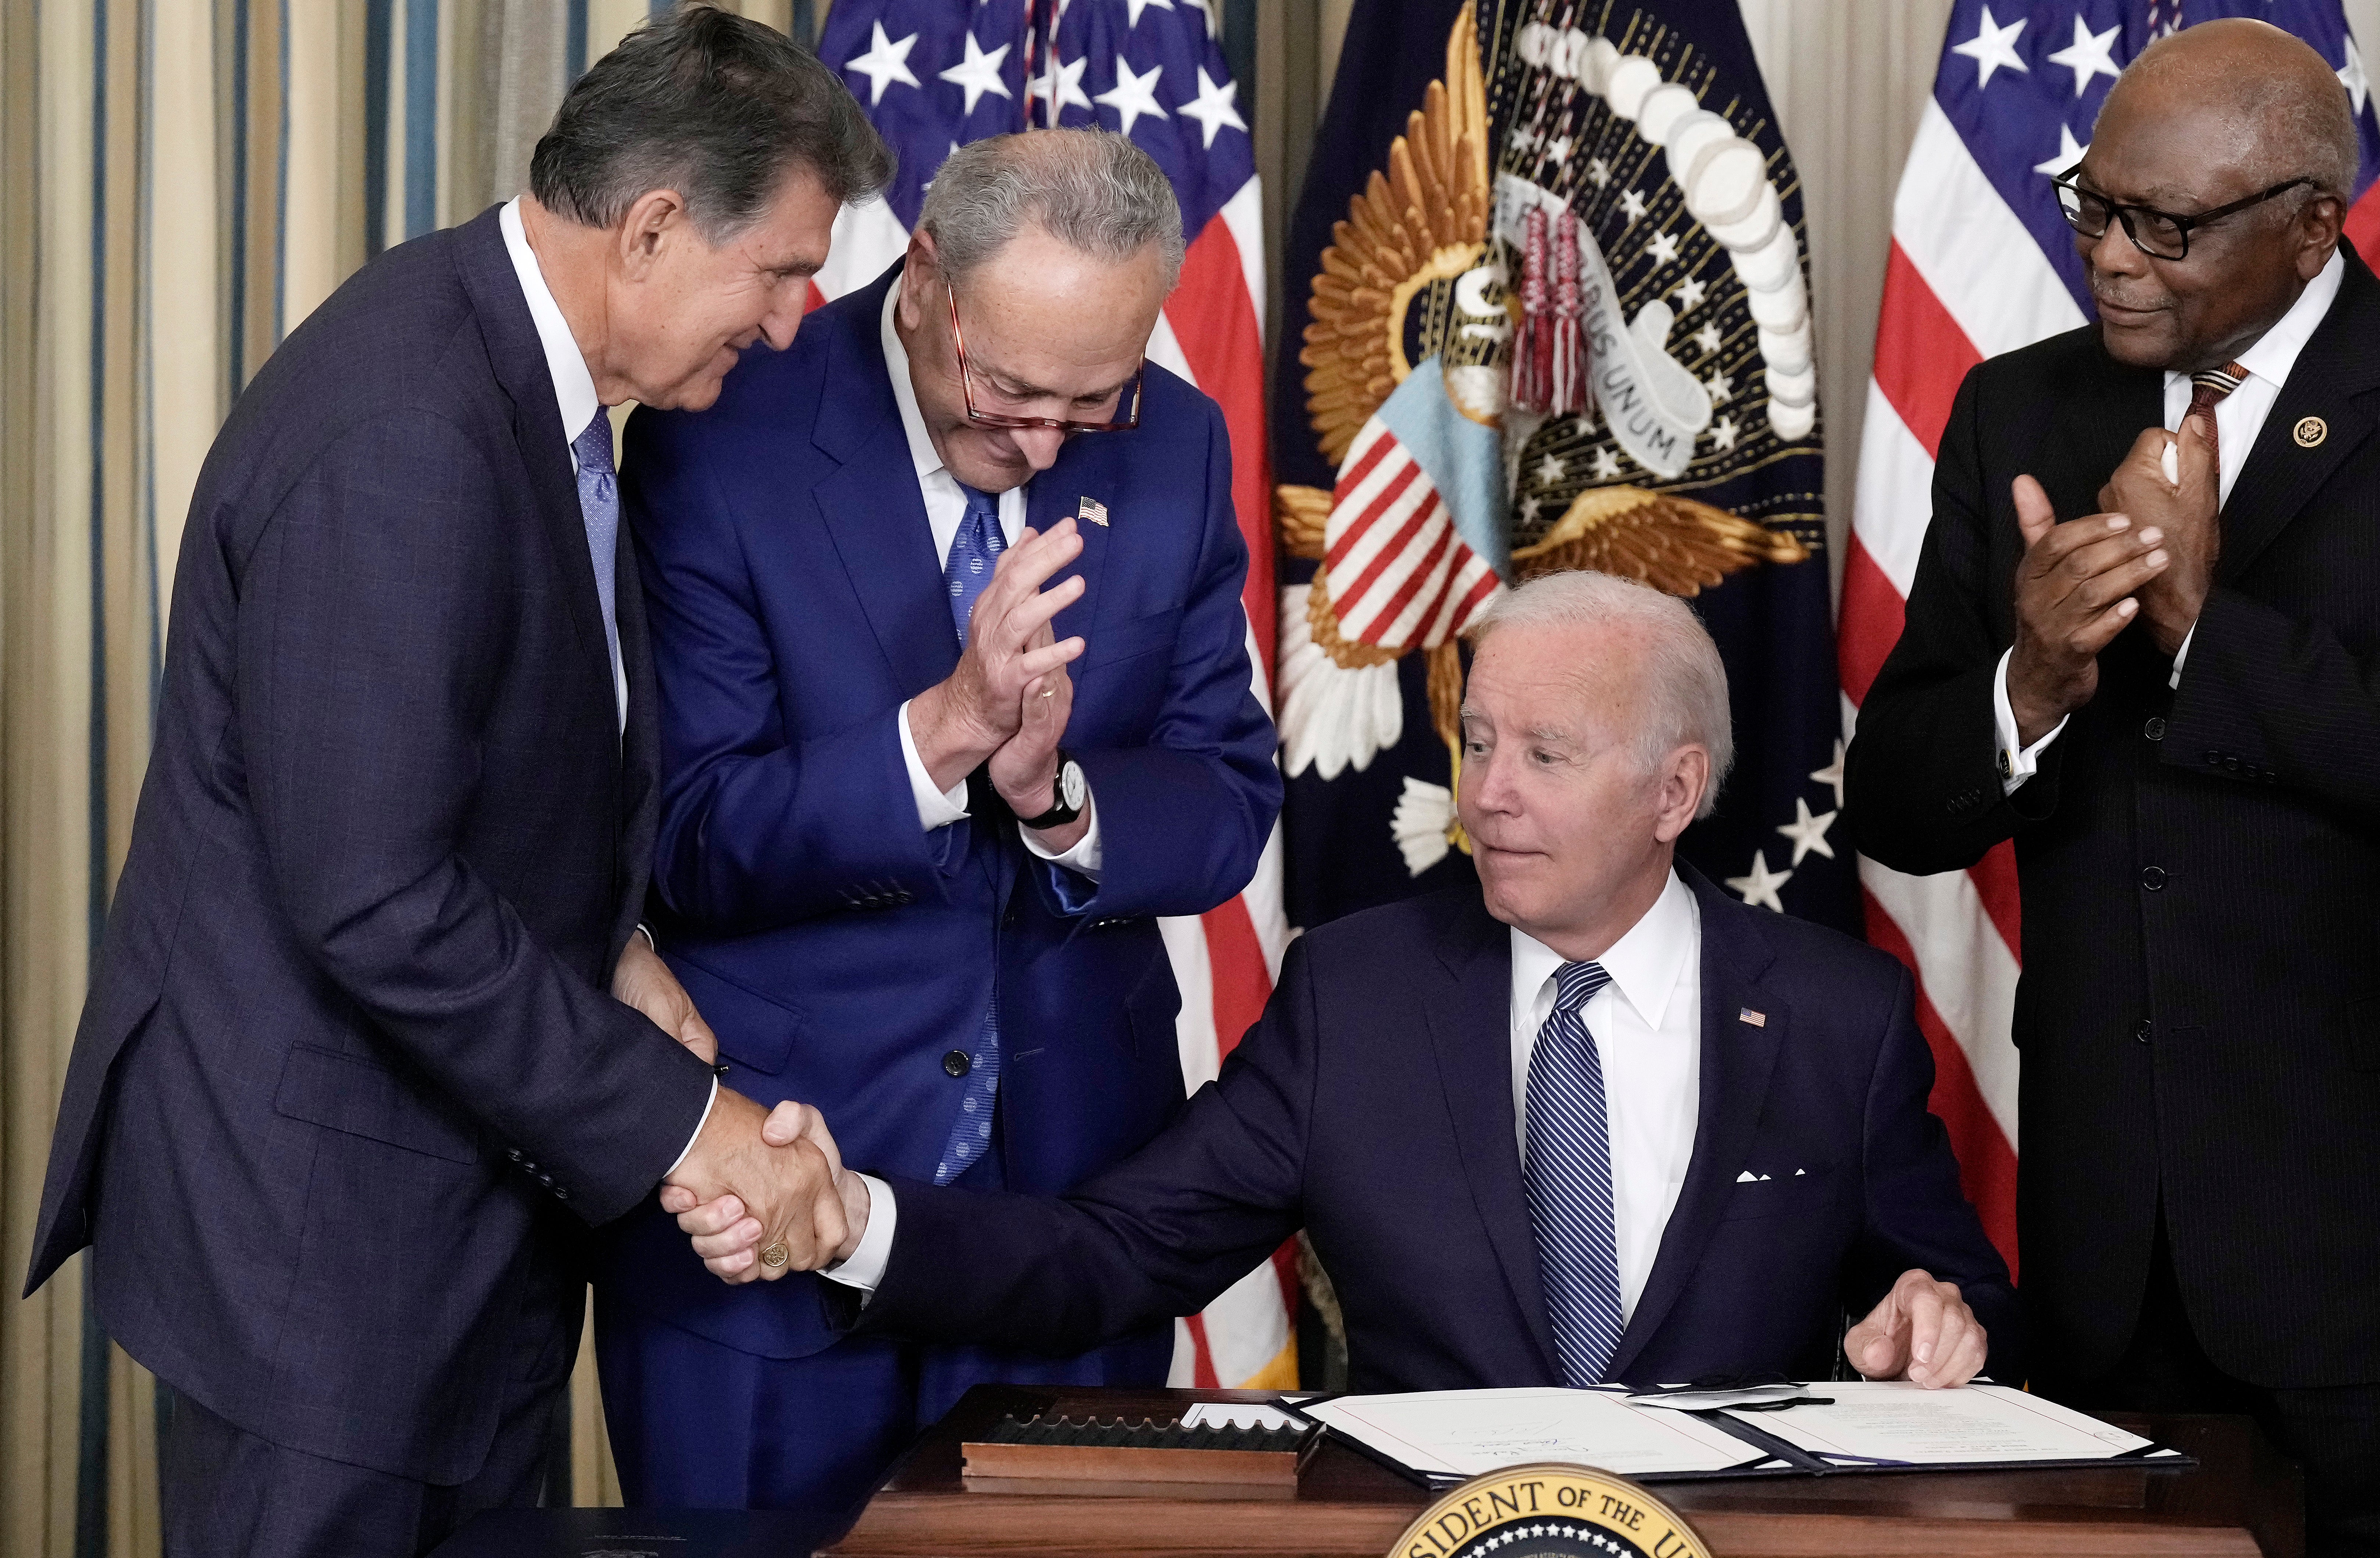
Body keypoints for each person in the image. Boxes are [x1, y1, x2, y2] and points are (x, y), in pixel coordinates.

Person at [18, 13, 892, 1558]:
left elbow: (474, 770)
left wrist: (618, 945)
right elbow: (372, 896)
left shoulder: (527, 389)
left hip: (438, 1232)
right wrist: (684, 1123)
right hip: (317, 1260)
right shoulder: (408, 427)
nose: (792, 328)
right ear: (648, 230)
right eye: (779, 272)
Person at [679, 571, 2020, 1400]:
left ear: (1676, 791)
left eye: (1545, 756)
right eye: (1478, 740)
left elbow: (1945, 1300)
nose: (1486, 795)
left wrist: (1935, 1324)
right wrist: (857, 1219)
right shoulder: (1359, 996)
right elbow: (1115, 1252)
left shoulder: (1837, 1016)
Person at [1844, 20, 2380, 1558]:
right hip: (2104, 1260)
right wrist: (2032, 677)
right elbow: (1897, 802)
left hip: (2374, 1277)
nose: (2111, 261)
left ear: (2307, 220)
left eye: (2164, 228)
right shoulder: (2014, 414)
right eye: (2091, 210)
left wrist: (2206, 631)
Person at [595, 127, 1281, 1525]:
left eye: (1088, 405)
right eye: (1009, 387)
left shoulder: (1177, 441)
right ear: (925, 282)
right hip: (771, 1196)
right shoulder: (724, 423)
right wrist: (941, 738)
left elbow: (1227, 801)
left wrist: (1057, 799)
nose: (1038, 441)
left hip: (1065, 1219)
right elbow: (688, 839)